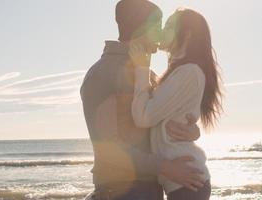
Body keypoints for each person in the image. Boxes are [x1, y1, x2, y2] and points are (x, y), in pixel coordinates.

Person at [80, 1, 207, 199]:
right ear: (142, 27)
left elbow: (159, 122)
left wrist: (192, 130)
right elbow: (108, 147)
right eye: (158, 26)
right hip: (122, 190)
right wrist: (165, 167)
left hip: (151, 188)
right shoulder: (103, 74)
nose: (162, 34)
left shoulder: (148, 74)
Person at [129, 8, 223, 200]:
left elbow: (143, 117)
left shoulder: (189, 72)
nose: (163, 30)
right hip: (183, 182)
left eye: (170, 26)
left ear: (187, 35)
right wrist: (194, 131)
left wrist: (141, 68)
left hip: (188, 183)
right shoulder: (179, 73)